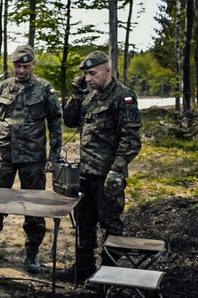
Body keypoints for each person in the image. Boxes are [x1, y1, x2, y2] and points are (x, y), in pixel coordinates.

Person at [56, 50, 141, 283]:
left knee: (110, 226)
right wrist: (76, 94)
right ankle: (83, 268)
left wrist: (117, 169)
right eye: (85, 75)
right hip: (85, 174)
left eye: (92, 74)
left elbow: (131, 139)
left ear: (108, 71)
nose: (88, 79)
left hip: (107, 175)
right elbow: (70, 120)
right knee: (84, 223)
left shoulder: (123, 97)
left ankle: (109, 274)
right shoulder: (90, 97)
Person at [0, 44, 63, 273]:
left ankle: (32, 254)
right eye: (18, 66)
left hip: (33, 156)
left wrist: (54, 154)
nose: (21, 70)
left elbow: (56, 122)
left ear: (33, 65)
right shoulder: (2, 88)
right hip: (3, 154)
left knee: (34, 206)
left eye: (25, 66)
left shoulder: (44, 89)